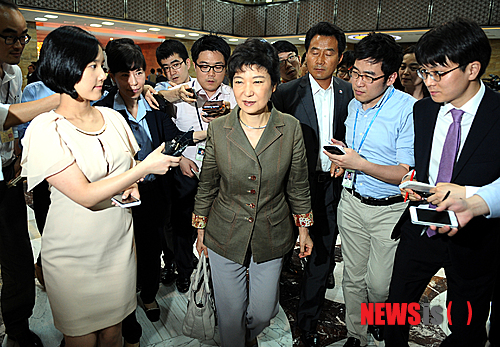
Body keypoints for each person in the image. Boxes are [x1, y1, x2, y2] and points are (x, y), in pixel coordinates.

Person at [20, 26, 180, 346]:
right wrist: (145, 168)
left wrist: (134, 179)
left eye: (101, 65)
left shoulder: (113, 118)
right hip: (74, 254)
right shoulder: (46, 128)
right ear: (66, 67)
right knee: (81, 339)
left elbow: (127, 166)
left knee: (113, 334)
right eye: (93, 65)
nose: (102, 74)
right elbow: (84, 194)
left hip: (118, 246)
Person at [193, 38, 313, 347]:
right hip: (224, 229)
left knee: (262, 311)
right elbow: (207, 182)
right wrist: (200, 228)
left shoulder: (290, 128)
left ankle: (249, 336)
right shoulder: (219, 129)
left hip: (272, 230)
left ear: (273, 85)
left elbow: (297, 183)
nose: (247, 91)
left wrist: (304, 229)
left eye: (257, 81)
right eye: (239, 81)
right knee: (231, 314)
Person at [386, 19, 500, 347]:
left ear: (472, 68)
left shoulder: (497, 113)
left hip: (475, 237)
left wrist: (470, 197)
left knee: (466, 322)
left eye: (439, 73)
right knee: (396, 308)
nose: (429, 82)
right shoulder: (423, 111)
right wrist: (414, 181)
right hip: (421, 227)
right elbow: (427, 166)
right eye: (425, 72)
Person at [94, 38, 205, 346]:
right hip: (120, 200)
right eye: (124, 75)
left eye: (139, 73)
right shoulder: (103, 111)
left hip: (155, 195)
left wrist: (213, 131)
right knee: (122, 260)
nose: (133, 82)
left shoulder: (153, 104)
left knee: (151, 250)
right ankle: (128, 320)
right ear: (112, 76)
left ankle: (148, 294)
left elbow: (175, 138)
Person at [326, 32, 415, 347]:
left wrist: (359, 163)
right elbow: (355, 150)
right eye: (355, 73)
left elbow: (405, 174)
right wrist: (343, 160)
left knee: (378, 284)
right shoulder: (353, 105)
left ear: (390, 77)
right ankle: (355, 333)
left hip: (388, 210)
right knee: (352, 277)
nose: (358, 83)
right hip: (351, 203)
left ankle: (378, 316)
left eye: (369, 77)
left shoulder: (407, 110)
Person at [272, 22, 353, 347]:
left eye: (328, 53)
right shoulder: (288, 93)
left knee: (321, 255)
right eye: (314, 52)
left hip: (330, 187)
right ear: (306, 56)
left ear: (340, 57)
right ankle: (267, 305)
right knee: (277, 251)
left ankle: (307, 322)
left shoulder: (349, 93)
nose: (320, 59)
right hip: (289, 189)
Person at [156, 34, 236, 293]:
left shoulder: (234, 95)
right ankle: (185, 270)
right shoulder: (181, 92)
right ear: (195, 65)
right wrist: (180, 159)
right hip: (187, 169)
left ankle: (219, 272)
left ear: (226, 66)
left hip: (224, 173)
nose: (210, 74)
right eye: (204, 67)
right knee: (182, 226)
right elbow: (156, 97)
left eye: (218, 67)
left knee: (220, 225)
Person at [0, 1, 60, 345]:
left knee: (19, 258)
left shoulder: (13, 73)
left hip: (7, 177)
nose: (17, 44)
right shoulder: (41, 91)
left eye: (22, 37)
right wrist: (61, 99)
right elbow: (6, 117)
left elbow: (13, 137)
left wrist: (19, 167)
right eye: (9, 37)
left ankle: (19, 329)